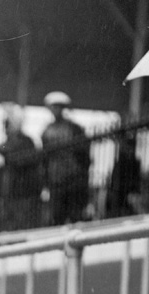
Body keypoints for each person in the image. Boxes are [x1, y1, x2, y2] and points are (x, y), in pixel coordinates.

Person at [41, 91, 91, 225]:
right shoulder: (47, 131)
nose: (55, 110)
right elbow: (45, 158)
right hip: (56, 180)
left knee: (75, 215)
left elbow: (84, 156)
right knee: (58, 216)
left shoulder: (75, 128)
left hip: (73, 179)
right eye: (53, 107)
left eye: (58, 107)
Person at [0, 105, 42, 231]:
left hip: (23, 191)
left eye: (8, 125)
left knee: (22, 224)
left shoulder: (26, 141)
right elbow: (1, 148)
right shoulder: (6, 144)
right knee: (10, 224)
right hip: (10, 192)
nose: (5, 129)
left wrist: (5, 157)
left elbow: (24, 157)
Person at [104, 132, 143, 219]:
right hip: (119, 195)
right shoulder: (120, 162)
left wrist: (135, 192)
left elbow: (137, 179)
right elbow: (114, 180)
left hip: (128, 195)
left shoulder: (134, 162)